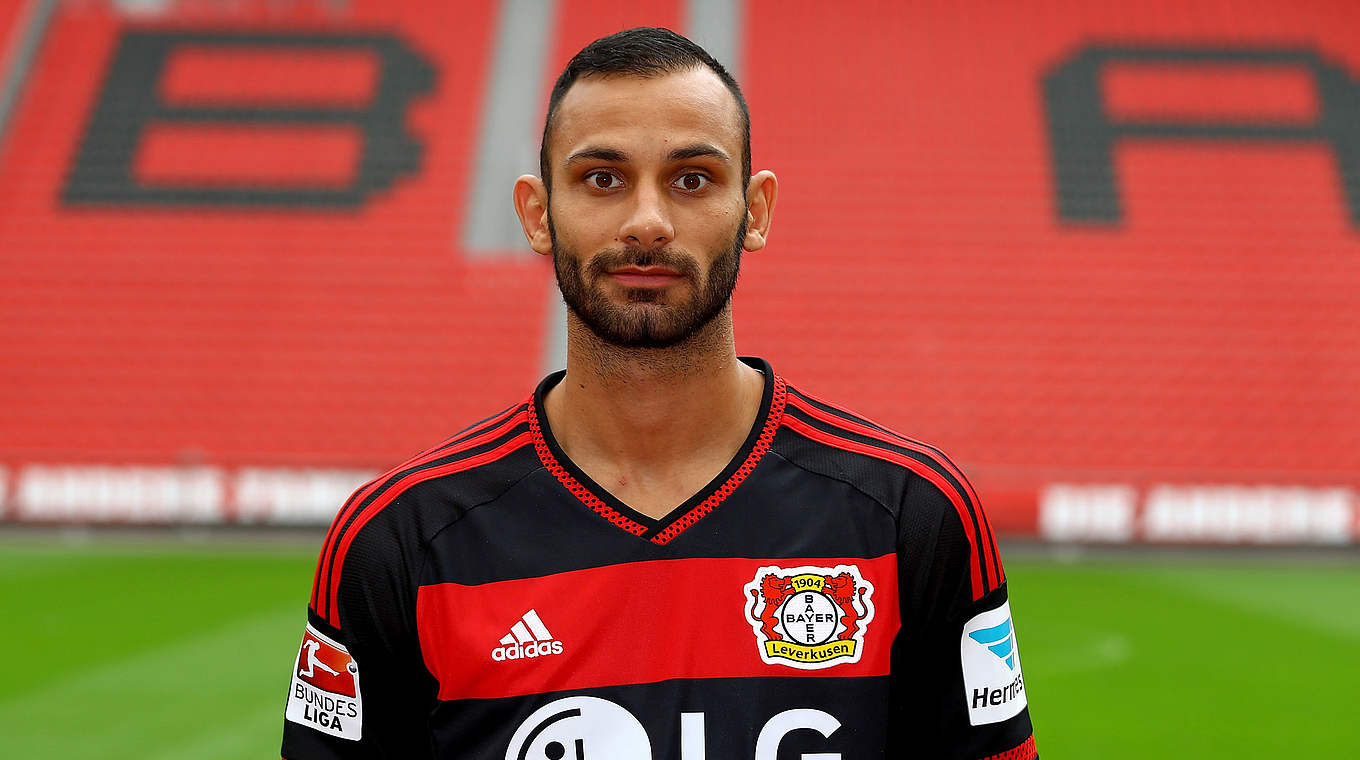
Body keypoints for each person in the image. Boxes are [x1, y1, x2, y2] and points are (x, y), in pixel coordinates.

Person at [281, 26, 1037, 760]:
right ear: (539, 214)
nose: (648, 222)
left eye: (692, 179)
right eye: (602, 179)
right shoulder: (400, 540)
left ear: (756, 211)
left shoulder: (911, 514)